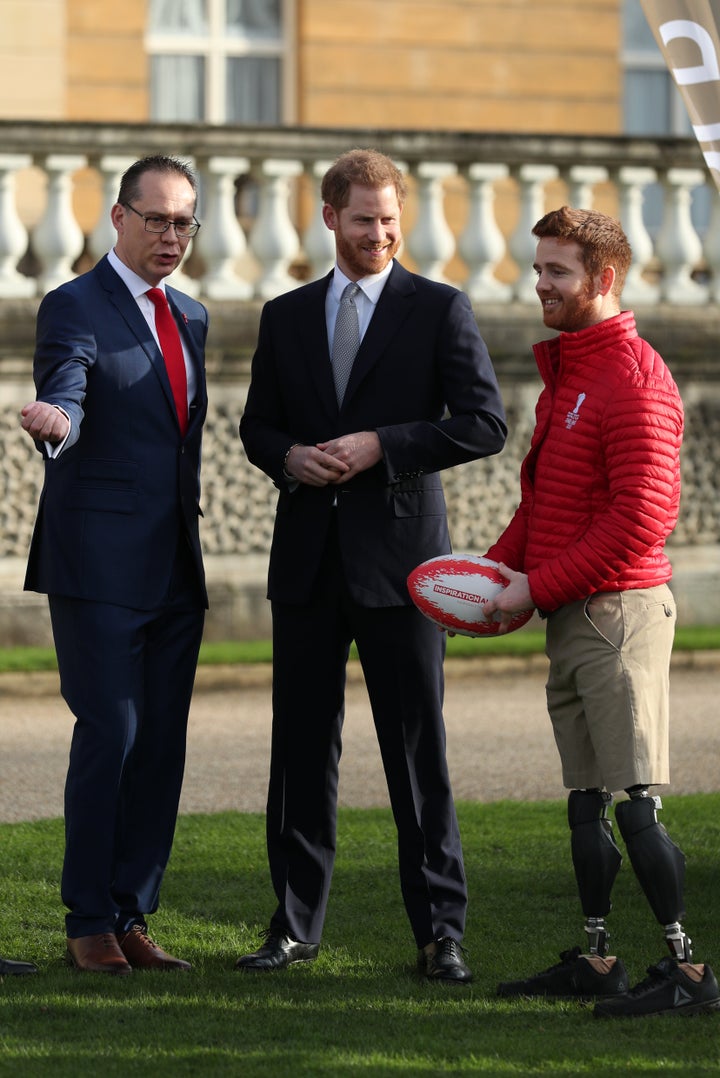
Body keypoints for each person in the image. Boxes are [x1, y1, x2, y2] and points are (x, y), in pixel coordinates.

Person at [238, 148, 506, 983]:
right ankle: (293, 927)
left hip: (404, 568)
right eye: (364, 221)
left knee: (417, 754)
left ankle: (441, 934)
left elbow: (484, 424)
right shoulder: (284, 316)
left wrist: (382, 446)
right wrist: (290, 457)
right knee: (301, 755)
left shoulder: (440, 308)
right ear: (329, 219)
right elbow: (256, 428)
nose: (381, 235)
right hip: (309, 565)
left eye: (391, 221)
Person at [483, 206, 719, 1018]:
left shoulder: (638, 379)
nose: (538, 283)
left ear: (604, 279)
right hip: (575, 615)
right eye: (538, 267)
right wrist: (489, 573)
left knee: (635, 800)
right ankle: (598, 959)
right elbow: (544, 502)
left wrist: (533, 588)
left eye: (556, 271)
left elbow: (639, 523)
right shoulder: (574, 374)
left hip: (620, 617)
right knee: (585, 797)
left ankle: (689, 976)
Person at [20, 155, 209, 975]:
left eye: (184, 223)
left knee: (161, 742)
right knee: (114, 732)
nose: (172, 237)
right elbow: (71, 386)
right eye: (158, 219)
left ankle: (134, 912)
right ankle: (88, 918)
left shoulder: (194, 315)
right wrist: (57, 420)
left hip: (175, 564)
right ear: (118, 219)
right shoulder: (74, 304)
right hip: (97, 563)